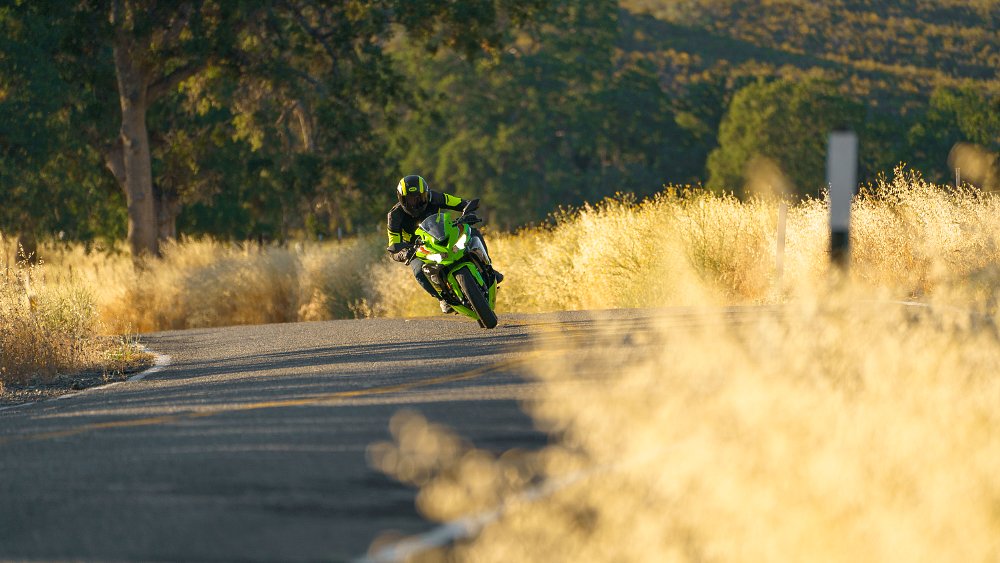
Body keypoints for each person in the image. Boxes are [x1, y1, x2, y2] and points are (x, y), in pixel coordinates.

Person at [386, 174, 503, 313]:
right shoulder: (394, 216)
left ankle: (488, 267)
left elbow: (460, 203)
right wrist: (403, 253)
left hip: (444, 233)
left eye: (419, 197)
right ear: (402, 199)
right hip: (418, 248)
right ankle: (441, 298)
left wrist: (468, 211)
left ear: (426, 193)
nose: (416, 202)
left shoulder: (435, 197)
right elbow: (393, 246)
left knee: (474, 233)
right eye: (411, 199)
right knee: (418, 271)